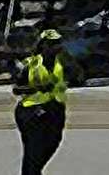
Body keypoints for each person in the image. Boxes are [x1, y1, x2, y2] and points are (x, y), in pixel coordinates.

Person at [14, 29, 74, 175]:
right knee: (33, 151)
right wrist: (36, 88)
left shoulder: (62, 62)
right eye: (52, 44)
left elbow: (74, 76)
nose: (56, 47)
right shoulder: (31, 64)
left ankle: (33, 172)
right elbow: (17, 89)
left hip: (55, 109)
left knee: (53, 143)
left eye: (58, 43)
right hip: (31, 111)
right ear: (43, 45)